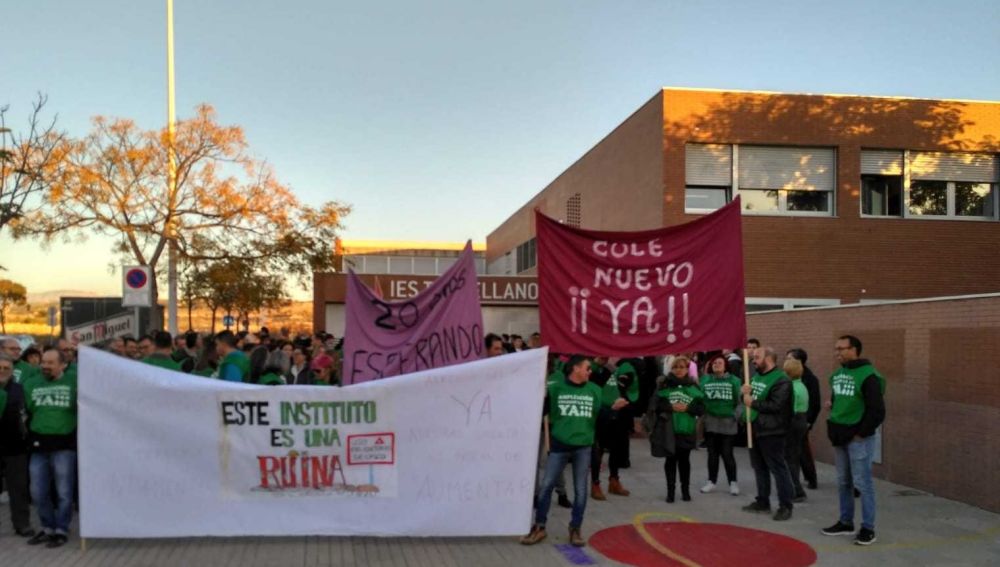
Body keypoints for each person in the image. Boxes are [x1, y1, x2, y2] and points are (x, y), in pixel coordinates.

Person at [521, 355, 602, 548]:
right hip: (559, 445)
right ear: (575, 368)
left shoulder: (595, 390)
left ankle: (575, 528)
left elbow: (600, 416)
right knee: (546, 486)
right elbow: (541, 411)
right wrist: (538, 397)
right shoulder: (555, 389)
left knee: (581, 490)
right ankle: (539, 526)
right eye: (587, 368)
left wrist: (613, 409)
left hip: (583, 447)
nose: (590, 371)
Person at [821, 335, 886, 546]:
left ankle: (868, 528)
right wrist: (832, 404)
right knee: (843, 481)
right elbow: (839, 397)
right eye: (836, 348)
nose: (837, 352)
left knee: (863, 483)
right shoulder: (838, 374)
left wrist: (861, 433)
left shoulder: (869, 375)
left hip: (858, 438)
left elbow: (877, 410)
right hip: (839, 434)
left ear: (854, 349)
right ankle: (845, 521)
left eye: (842, 348)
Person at [24, 348, 77, 548]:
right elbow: (28, 410)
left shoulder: (74, 382)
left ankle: (61, 529)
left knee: (64, 491)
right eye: (43, 362)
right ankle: (47, 527)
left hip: (65, 445)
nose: (45, 366)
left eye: (50, 363)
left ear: (63, 365)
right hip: (38, 445)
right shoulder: (30, 383)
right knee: (37, 491)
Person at [741, 347, 795, 521]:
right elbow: (748, 398)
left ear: (769, 359)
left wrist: (752, 402)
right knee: (759, 467)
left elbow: (776, 406)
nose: (753, 361)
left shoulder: (782, 380)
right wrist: (744, 392)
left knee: (778, 469)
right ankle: (763, 501)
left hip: (772, 430)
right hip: (756, 428)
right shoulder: (756, 376)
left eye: (757, 357)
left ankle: (785, 505)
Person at [651, 356, 704, 503]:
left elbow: (701, 408)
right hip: (669, 429)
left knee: (684, 461)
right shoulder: (664, 385)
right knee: (670, 460)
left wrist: (688, 408)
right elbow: (655, 405)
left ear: (687, 369)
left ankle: (685, 491)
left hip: (687, 429)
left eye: (682, 367)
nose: (678, 370)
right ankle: (671, 492)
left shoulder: (693, 386)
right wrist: (670, 407)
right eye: (675, 367)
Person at [591, 358, 638, 499]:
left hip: (618, 410)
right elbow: (595, 383)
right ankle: (595, 483)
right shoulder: (593, 366)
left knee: (617, 447)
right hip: (601, 412)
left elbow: (628, 386)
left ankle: (614, 480)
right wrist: (606, 365)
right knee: (598, 449)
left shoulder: (621, 366)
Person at [0, 355, 34, 537]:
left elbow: (30, 412)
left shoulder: (21, 389)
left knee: (18, 488)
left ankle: (22, 524)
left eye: (6, 368)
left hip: (16, 446)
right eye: (0, 367)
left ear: (12, 371)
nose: (2, 371)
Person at [699, 354, 741, 496]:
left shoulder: (734, 381)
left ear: (725, 366)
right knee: (712, 454)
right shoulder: (705, 380)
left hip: (728, 423)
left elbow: (740, 402)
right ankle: (711, 481)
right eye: (714, 363)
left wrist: (735, 416)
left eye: (719, 362)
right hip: (711, 422)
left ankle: (733, 482)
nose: (716, 365)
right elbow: (699, 398)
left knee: (727, 454)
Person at [786, 348, 820, 490]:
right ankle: (802, 478)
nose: (786, 361)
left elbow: (815, 402)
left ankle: (810, 478)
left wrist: (809, 421)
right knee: (798, 451)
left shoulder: (809, 379)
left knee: (802, 451)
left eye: (790, 359)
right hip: (799, 420)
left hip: (801, 419)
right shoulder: (791, 379)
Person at [783, 358, 810, 503]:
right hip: (802, 420)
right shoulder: (802, 386)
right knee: (794, 456)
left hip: (793, 422)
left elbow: (789, 410)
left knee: (789, 458)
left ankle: (796, 489)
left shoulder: (791, 388)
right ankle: (795, 487)